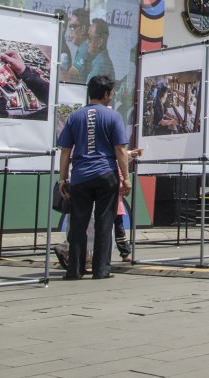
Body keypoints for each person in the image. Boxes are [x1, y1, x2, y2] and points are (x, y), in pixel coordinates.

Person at [56, 74, 131, 279]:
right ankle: (101, 270)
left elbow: (65, 150)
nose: (112, 96)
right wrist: (126, 177)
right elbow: (120, 149)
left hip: (80, 177)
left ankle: (75, 270)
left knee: (79, 224)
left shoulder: (74, 116)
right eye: (111, 93)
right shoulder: (113, 116)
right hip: (106, 174)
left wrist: (62, 179)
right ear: (106, 94)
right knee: (104, 222)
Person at [62, 8, 90, 82]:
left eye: (72, 27)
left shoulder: (85, 49)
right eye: (69, 27)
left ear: (83, 29)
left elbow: (71, 76)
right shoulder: (83, 48)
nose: (70, 32)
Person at [84, 18, 115, 84]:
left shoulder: (100, 64)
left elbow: (88, 91)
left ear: (100, 42)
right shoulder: (101, 61)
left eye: (89, 38)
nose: (86, 42)